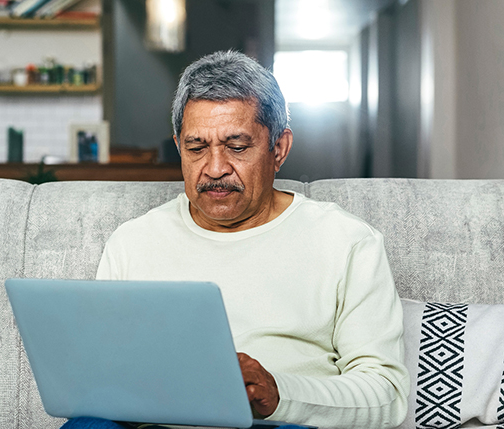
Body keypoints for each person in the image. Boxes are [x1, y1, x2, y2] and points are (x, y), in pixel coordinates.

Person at [62, 50, 409, 429]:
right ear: (178, 146)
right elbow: (102, 378)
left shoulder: (348, 242)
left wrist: (279, 395)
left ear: (279, 149)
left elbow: (386, 396)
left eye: (237, 147)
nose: (214, 168)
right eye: (196, 148)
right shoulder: (133, 241)